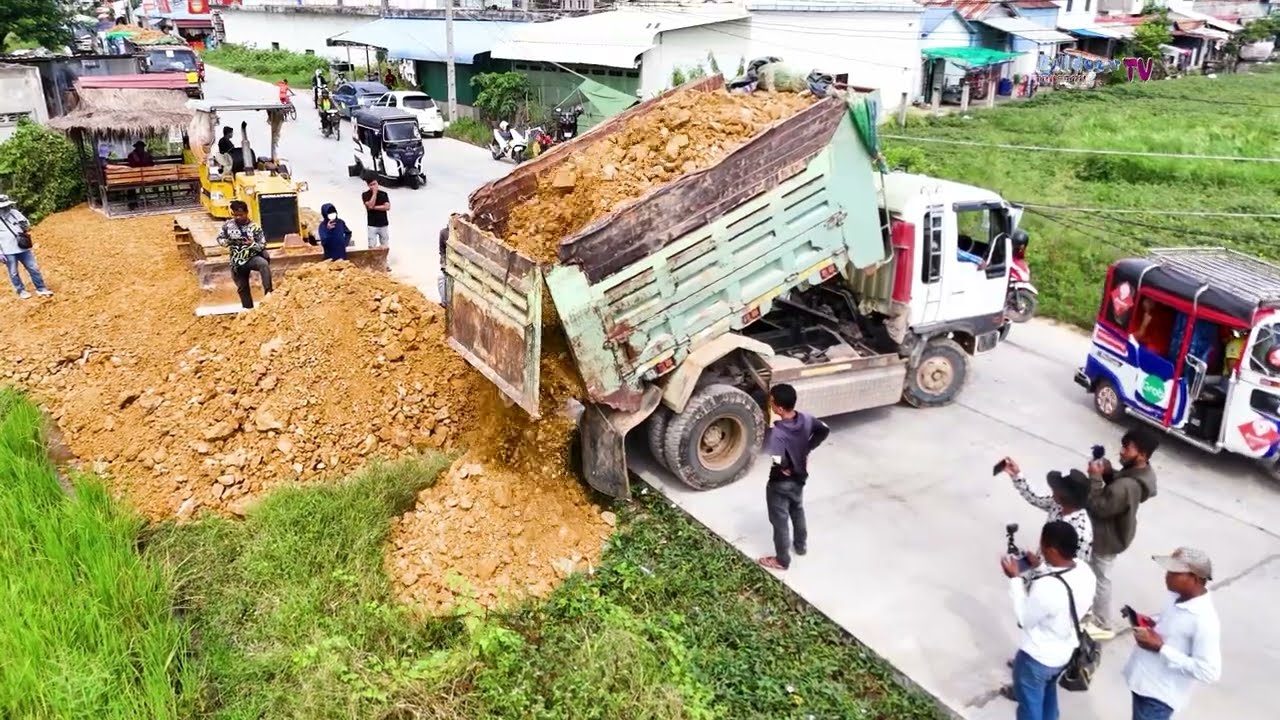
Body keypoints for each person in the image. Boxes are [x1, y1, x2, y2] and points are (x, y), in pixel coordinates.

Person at [1002, 520, 1096, 720]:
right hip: (1063, 654)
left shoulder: (1047, 588)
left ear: (1052, 550)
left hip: (1036, 659)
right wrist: (1039, 566)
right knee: (1048, 702)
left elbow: (1024, 619)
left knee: (1030, 709)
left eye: (1043, 545)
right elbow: (1061, 583)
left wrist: (1015, 580)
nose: (1041, 549)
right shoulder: (1085, 571)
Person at [1123, 547, 1221, 720]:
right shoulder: (1176, 596)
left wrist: (1161, 648)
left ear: (1195, 578)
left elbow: (1209, 671)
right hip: (1143, 682)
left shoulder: (1204, 620)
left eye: (1174, 572)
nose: (1167, 575)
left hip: (1158, 697)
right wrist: (1152, 622)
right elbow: (1170, 622)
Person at [1084, 428, 1160, 640]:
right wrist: (1109, 473)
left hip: (1106, 538)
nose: (1121, 451)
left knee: (1100, 579)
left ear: (1142, 455)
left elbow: (1099, 507)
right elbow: (1119, 485)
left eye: (1127, 448)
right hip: (1117, 532)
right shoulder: (1142, 473)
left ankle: (1102, 623)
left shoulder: (1126, 487)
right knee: (1099, 576)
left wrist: (1096, 479)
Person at [757, 383, 830, 571]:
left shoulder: (778, 433)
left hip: (780, 483)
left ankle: (782, 560)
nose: (770, 404)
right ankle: (800, 545)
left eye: (771, 401)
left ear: (779, 408)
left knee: (779, 520)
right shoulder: (806, 419)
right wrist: (807, 447)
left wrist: (785, 467)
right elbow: (824, 430)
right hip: (800, 478)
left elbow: (777, 459)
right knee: (797, 509)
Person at [1000, 461, 1094, 562]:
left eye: (1056, 488)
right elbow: (1035, 498)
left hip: (1050, 575)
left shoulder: (1081, 535)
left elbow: (1073, 571)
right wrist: (1016, 475)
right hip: (1039, 566)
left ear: (1065, 496)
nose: (1053, 489)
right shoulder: (1058, 504)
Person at [215, 200, 272, 310]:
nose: (238, 217)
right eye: (235, 215)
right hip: (237, 261)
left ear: (246, 213)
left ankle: (268, 293)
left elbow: (262, 244)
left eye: (241, 215)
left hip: (251, 257)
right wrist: (228, 242)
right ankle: (248, 309)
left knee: (263, 264)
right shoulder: (227, 226)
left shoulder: (255, 227)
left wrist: (252, 244)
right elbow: (220, 239)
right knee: (242, 287)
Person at [0, 196, 52, 299]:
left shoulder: (15, 213)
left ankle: (41, 288)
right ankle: (21, 290)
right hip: (7, 250)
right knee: (14, 272)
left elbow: (27, 225)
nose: (6, 209)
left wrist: (24, 225)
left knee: (33, 268)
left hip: (22, 247)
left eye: (7, 206)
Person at [362, 176, 391, 248]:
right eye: (371, 185)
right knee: (372, 246)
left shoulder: (383, 194)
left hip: (383, 224)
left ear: (378, 183)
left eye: (375, 184)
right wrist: (374, 194)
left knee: (384, 246)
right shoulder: (365, 195)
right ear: (368, 186)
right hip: (372, 225)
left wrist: (374, 207)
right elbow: (370, 205)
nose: (374, 186)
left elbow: (387, 207)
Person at [437, 225, 449, 305]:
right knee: (443, 279)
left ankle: (444, 302)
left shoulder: (443, 232)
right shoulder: (445, 232)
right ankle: (444, 302)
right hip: (446, 260)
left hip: (445, 260)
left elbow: (441, 250)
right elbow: (442, 249)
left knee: (442, 280)